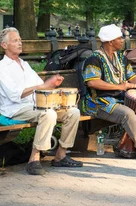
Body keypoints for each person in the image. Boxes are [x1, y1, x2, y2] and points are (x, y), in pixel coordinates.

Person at [0, 28, 83, 175]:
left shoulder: (25, 65)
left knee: (73, 112)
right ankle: (34, 158)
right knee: (48, 114)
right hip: (14, 109)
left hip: (36, 106)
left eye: (20, 40)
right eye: (15, 41)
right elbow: (14, 95)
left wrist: (52, 83)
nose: (19, 43)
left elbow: (41, 86)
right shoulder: (2, 68)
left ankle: (60, 155)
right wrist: (42, 86)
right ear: (4, 45)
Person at [82, 24, 136, 161]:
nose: (122, 40)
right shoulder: (94, 59)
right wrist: (120, 87)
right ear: (110, 41)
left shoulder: (121, 58)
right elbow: (92, 82)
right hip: (99, 102)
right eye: (119, 38)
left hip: (120, 99)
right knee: (128, 114)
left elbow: (132, 76)